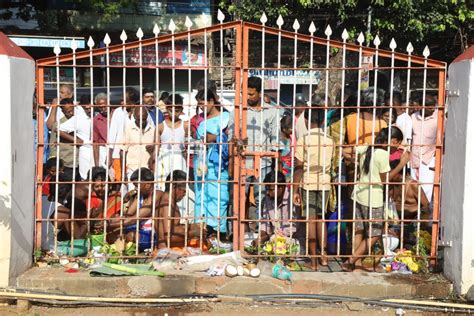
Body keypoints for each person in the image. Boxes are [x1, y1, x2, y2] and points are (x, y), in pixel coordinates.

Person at [342, 126, 410, 271]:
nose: (398, 146)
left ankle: (356, 264)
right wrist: (401, 164)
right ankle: (351, 260)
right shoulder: (382, 154)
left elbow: (344, 150)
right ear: (391, 140)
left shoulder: (367, 148)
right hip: (373, 198)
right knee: (375, 233)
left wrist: (355, 161)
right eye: (397, 142)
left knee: (359, 230)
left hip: (359, 194)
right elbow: (386, 179)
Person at [228, 76, 279, 230]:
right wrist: (232, 161)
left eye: (251, 94)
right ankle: (235, 233)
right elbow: (231, 138)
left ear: (260, 93)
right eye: (245, 94)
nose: (247, 97)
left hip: (263, 163)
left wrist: (276, 165)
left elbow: (275, 140)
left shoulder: (270, 111)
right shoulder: (237, 111)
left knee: (262, 199)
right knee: (238, 198)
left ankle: (260, 233)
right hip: (241, 162)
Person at [293, 107, 334, 269]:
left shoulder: (305, 139)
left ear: (305, 121)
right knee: (321, 219)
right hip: (325, 182)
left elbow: (299, 167)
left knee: (310, 220)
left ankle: (314, 261)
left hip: (308, 182)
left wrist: (295, 189)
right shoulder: (329, 139)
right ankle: (324, 256)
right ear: (323, 121)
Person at [193, 88, 230, 237]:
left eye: (203, 104)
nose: (201, 107)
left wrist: (214, 138)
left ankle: (218, 230)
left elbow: (230, 139)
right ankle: (203, 228)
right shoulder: (202, 121)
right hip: (202, 164)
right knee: (202, 195)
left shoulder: (226, 118)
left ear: (211, 101)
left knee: (219, 195)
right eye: (199, 105)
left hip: (218, 166)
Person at [255, 171, 303, 247]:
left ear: (281, 187)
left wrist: (281, 236)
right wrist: (261, 238)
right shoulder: (268, 199)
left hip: (295, 239)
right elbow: (264, 225)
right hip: (276, 238)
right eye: (267, 189)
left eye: (271, 189)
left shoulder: (293, 199)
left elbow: (297, 228)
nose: (267, 192)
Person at [153, 94, 188, 191]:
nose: (174, 113)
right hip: (163, 158)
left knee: (179, 186)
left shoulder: (185, 125)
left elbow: (188, 146)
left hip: (179, 158)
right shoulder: (160, 126)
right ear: (167, 108)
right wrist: (154, 163)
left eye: (177, 111)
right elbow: (156, 148)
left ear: (181, 110)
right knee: (162, 185)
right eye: (171, 110)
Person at [107, 87, 140, 183]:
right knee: (119, 182)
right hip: (118, 155)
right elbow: (112, 136)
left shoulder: (141, 113)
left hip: (135, 156)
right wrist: (109, 157)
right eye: (121, 100)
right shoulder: (118, 112)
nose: (121, 103)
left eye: (124, 101)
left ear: (133, 103)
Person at [410, 94, 438, 204]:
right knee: (415, 188)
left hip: (429, 159)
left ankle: (425, 216)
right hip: (414, 158)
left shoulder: (439, 118)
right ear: (421, 106)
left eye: (433, 105)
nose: (431, 108)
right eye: (428, 106)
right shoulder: (413, 117)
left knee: (427, 189)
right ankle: (415, 216)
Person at [59, 95, 94, 180]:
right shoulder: (78, 118)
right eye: (87, 108)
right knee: (86, 178)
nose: (89, 110)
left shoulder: (97, 115)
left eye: (91, 108)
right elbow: (59, 130)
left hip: (101, 150)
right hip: (86, 151)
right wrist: (75, 140)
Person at [122, 106, 155, 186]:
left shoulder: (153, 130)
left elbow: (157, 151)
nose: (141, 122)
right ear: (134, 117)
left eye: (143, 119)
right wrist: (124, 174)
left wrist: (152, 150)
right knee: (133, 195)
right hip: (132, 169)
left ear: (147, 117)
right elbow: (123, 152)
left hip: (148, 171)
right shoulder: (128, 129)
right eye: (138, 119)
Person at [48, 98, 80, 175]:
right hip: (65, 163)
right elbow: (52, 145)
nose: (71, 113)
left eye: (72, 110)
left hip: (79, 161)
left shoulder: (79, 120)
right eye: (68, 112)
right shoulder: (58, 124)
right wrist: (55, 162)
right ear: (63, 111)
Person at [92, 93, 109, 168]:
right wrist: (96, 165)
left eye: (105, 106)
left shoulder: (117, 114)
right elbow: (95, 143)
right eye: (100, 107)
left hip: (117, 149)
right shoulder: (96, 120)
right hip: (103, 150)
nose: (103, 109)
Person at [279, 114, 295, 182]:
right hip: (283, 170)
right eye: (290, 128)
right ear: (284, 129)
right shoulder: (280, 140)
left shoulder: (289, 137)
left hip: (290, 168)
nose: (292, 130)